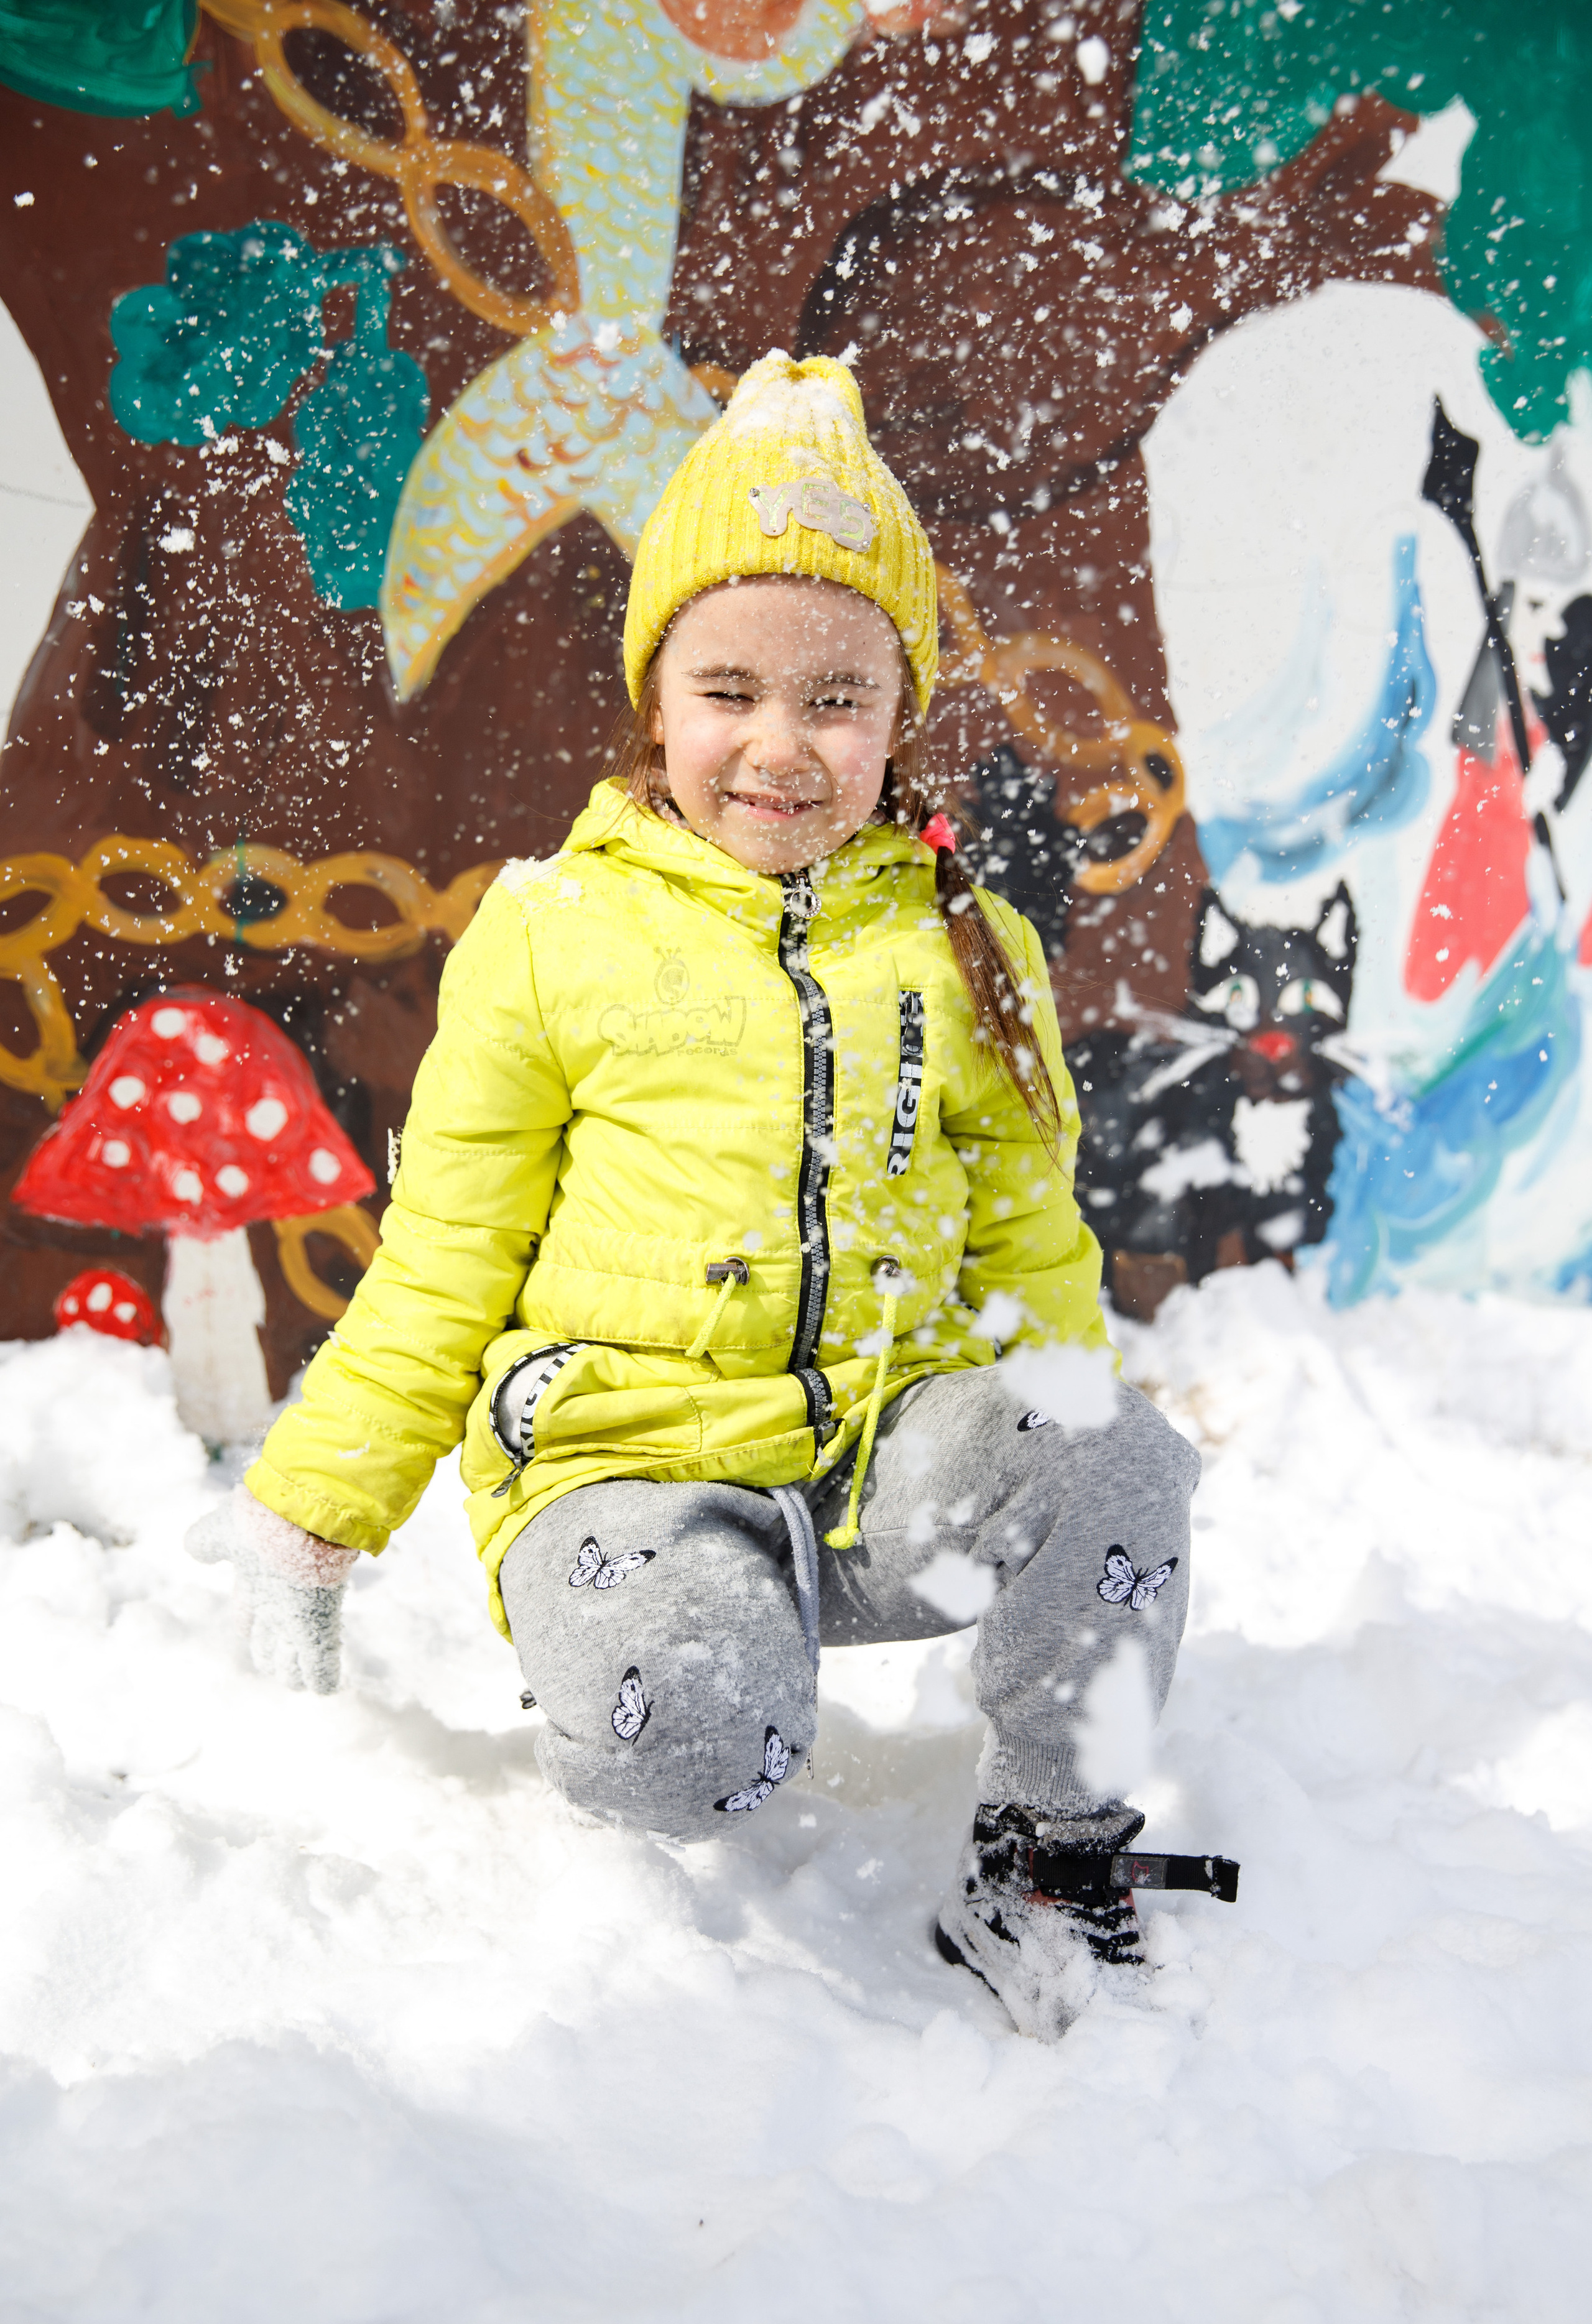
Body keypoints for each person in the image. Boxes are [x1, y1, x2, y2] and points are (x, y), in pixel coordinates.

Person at [188, 352, 1205, 2042]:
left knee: (1118, 1447)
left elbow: (1037, 1247)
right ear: (656, 698)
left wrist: (1076, 1495)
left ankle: (1044, 1855)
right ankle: (695, 1641)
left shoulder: (969, 948)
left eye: (838, 698)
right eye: (730, 688)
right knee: (696, 1737)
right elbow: (450, 1244)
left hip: (879, 1461)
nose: (780, 747)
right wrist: (323, 1505)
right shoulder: (556, 933)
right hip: (632, 1467)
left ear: (903, 712)